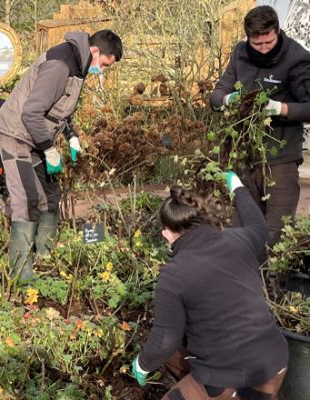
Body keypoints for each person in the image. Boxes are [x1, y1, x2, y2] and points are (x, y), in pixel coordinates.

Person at [131, 174, 288, 399]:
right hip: (274, 361)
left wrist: (143, 364)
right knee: (177, 356)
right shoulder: (240, 239)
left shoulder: (175, 273)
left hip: (228, 375)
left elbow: (166, 338)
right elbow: (258, 224)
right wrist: (239, 188)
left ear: (167, 232)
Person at [0, 29, 123, 281]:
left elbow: (61, 107)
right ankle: (20, 276)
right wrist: (49, 149)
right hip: (16, 135)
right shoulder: (60, 65)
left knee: (50, 194)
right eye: (104, 64)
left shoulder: (78, 64)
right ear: (95, 52)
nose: (103, 70)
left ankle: (46, 256)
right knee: (27, 200)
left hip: (36, 138)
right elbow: (31, 112)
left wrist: (71, 134)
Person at [210, 5, 310, 245]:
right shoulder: (240, 53)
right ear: (248, 37)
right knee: (239, 225)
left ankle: (274, 281)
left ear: (277, 32)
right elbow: (216, 96)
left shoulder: (297, 59)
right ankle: (242, 280)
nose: (264, 49)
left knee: (277, 231)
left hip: (280, 158)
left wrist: (280, 108)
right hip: (244, 155)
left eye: (269, 42)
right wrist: (227, 99)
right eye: (258, 44)